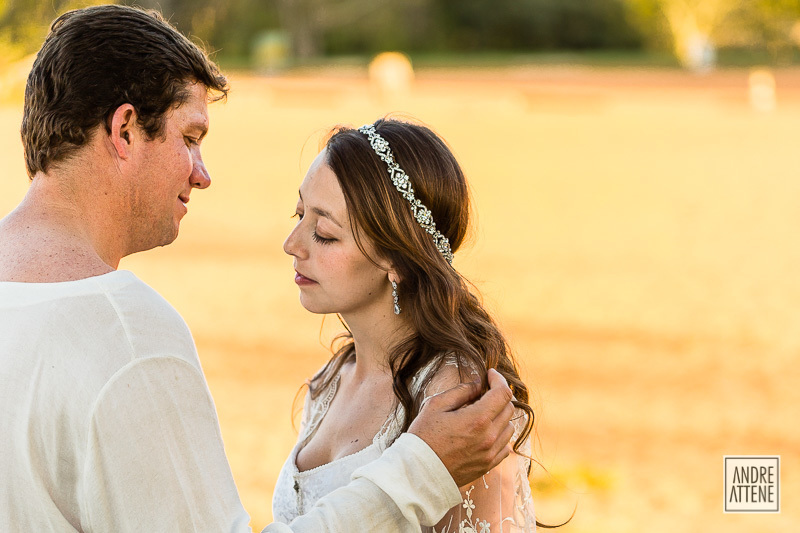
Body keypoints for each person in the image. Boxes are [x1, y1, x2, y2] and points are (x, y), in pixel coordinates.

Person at [0, 5, 517, 532]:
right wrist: (420, 474)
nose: (202, 175)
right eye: (190, 138)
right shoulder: (127, 336)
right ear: (126, 129)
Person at [277, 118, 540, 532]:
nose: (292, 244)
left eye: (323, 232)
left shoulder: (454, 398)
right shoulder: (330, 381)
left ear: (398, 259)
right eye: (298, 214)